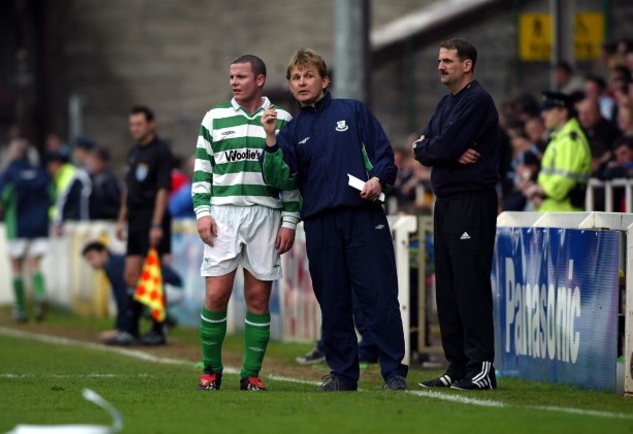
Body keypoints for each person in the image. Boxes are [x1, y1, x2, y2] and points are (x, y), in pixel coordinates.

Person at [260, 48, 408, 392]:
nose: (301, 82)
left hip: (362, 216)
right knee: (333, 299)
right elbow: (280, 179)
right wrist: (269, 139)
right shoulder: (291, 131)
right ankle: (343, 374)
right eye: (296, 78)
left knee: (379, 295)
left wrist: (378, 180)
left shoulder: (352, 111)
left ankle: (393, 372)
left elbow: (384, 155)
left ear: (324, 81)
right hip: (320, 225)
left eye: (308, 76)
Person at [193, 54, 300, 392]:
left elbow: (292, 177)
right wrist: (202, 213)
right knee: (216, 296)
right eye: (231, 77)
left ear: (260, 80)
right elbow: (202, 172)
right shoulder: (214, 118)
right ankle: (211, 371)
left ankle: (250, 374)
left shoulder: (282, 118)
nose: (234, 82)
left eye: (241, 76)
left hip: (266, 214)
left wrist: (289, 221)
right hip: (223, 215)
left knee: (257, 299)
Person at [413, 38, 500, 390]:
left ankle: (481, 368)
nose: (440, 66)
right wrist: (437, 149)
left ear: (467, 65)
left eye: (448, 60)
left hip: (471, 201)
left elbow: (439, 146)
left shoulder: (477, 101)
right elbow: (423, 147)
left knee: (469, 284)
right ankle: (457, 365)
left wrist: (439, 149)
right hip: (446, 201)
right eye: (439, 60)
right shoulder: (446, 104)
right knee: (447, 287)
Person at [115, 105, 174, 346]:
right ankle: (131, 329)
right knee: (131, 273)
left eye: (139, 124)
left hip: (153, 217)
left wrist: (157, 223)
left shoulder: (161, 152)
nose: (135, 129)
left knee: (152, 275)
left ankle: (158, 329)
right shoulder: (133, 152)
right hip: (135, 219)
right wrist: (121, 219)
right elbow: (128, 189)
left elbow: (162, 190)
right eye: (132, 125)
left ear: (151, 124)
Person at [0, 138, 55, 322]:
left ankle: (20, 308)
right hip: (40, 225)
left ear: (14, 153)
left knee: (16, 266)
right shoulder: (41, 172)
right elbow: (52, 196)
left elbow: (3, 199)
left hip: (18, 226)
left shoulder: (9, 174)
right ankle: (40, 293)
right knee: (35, 263)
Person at [81, 240, 183, 345]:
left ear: (104, 252)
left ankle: (161, 324)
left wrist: (120, 330)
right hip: (169, 287)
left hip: (170, 287)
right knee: (135, 301)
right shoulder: (114, 263)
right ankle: (164, 322)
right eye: (88, 260)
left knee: (135, 302)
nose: (91, 263)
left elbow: (123, 299)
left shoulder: (114, 265)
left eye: (92, 257)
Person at [524, 92, 592, 211]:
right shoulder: (558, 138)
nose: (544, 115)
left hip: (563, 216)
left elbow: (563, 181)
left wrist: (537, 190)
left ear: (563, 112)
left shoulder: (570, 140)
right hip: (553, 212)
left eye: (549, 110)